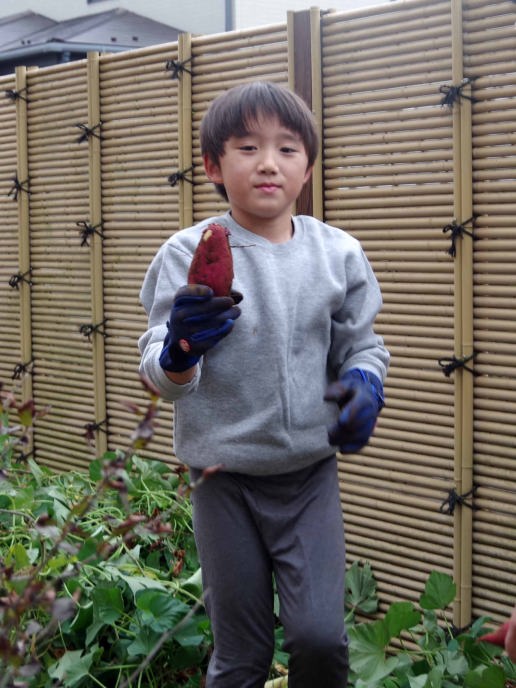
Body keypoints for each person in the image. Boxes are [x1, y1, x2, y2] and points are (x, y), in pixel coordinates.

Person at [138, 81, 389, 688]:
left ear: (309, 166)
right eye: (247, 147)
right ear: (213, 166)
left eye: (287, 148)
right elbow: (159, 374)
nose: (269, 163)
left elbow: (363, 346)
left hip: (309, 477)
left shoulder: (339, 254)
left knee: (321, 641)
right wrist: (179, 350)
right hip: (221, 480)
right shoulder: (186, 252)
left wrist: (364, 383)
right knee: (242, 654)